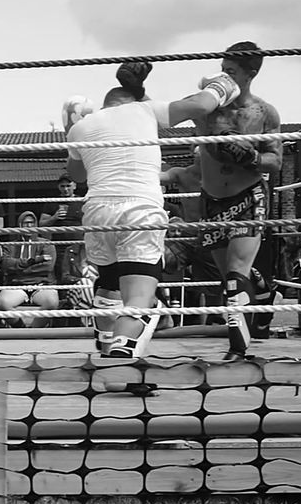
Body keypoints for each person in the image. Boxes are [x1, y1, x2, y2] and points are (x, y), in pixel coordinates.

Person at [63, 58, 247, 357]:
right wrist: (225, 82)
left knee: (109, 284)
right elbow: (200, 106)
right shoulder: (144, 109)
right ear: (134, 98)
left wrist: (72, 135)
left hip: (97, 214)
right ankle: (119, 363)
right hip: (138, 211)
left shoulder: (80, 127)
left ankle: (106, 347)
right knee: (140, 301)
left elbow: (77, 176)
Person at [190, 42, 283, 359]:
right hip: (212, 199)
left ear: (250, 74)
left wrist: (253, 157)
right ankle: (259, 284)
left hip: (249, 196)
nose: (224, 76)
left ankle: (239, 350)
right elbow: (176, 114)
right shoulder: (208, 106)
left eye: (231, 71)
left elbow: (276, 161)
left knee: (233, 278)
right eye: (222, 69)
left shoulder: (264, 112)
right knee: (228, 278)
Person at [160, 146, 225, 321]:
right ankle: (159, 310)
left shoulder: (223, 175)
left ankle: (215, 318)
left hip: (212, 235)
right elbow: (157, 178)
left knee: (213, 287)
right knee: (156, 260)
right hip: (187, 237)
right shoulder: (182, 174)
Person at [0, 212, 59, 328]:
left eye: (31, 223)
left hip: (41, 285)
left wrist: (19, 268)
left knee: (52, 301)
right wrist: (33, 261)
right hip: (16, 284)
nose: (29, 226)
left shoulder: (46, 244)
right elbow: (5, 265)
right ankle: (21, 328)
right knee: (2, 303)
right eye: (25, 223)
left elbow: (48, 267)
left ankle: (33, 330)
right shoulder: (10, 245)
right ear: (20, 225)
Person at [39, 174, 85, 285]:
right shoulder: (53, 202)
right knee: (60, 274)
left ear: (74, 186)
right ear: (58, 187)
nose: (65, 189)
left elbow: (91, 222)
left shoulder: (82, 201)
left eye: (68, 186)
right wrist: (54, 217)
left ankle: (80, 297)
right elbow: (41, 224)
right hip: (59, 245)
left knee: (79, 273)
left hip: (79, 245)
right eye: (62, 186)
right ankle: (61, 299)